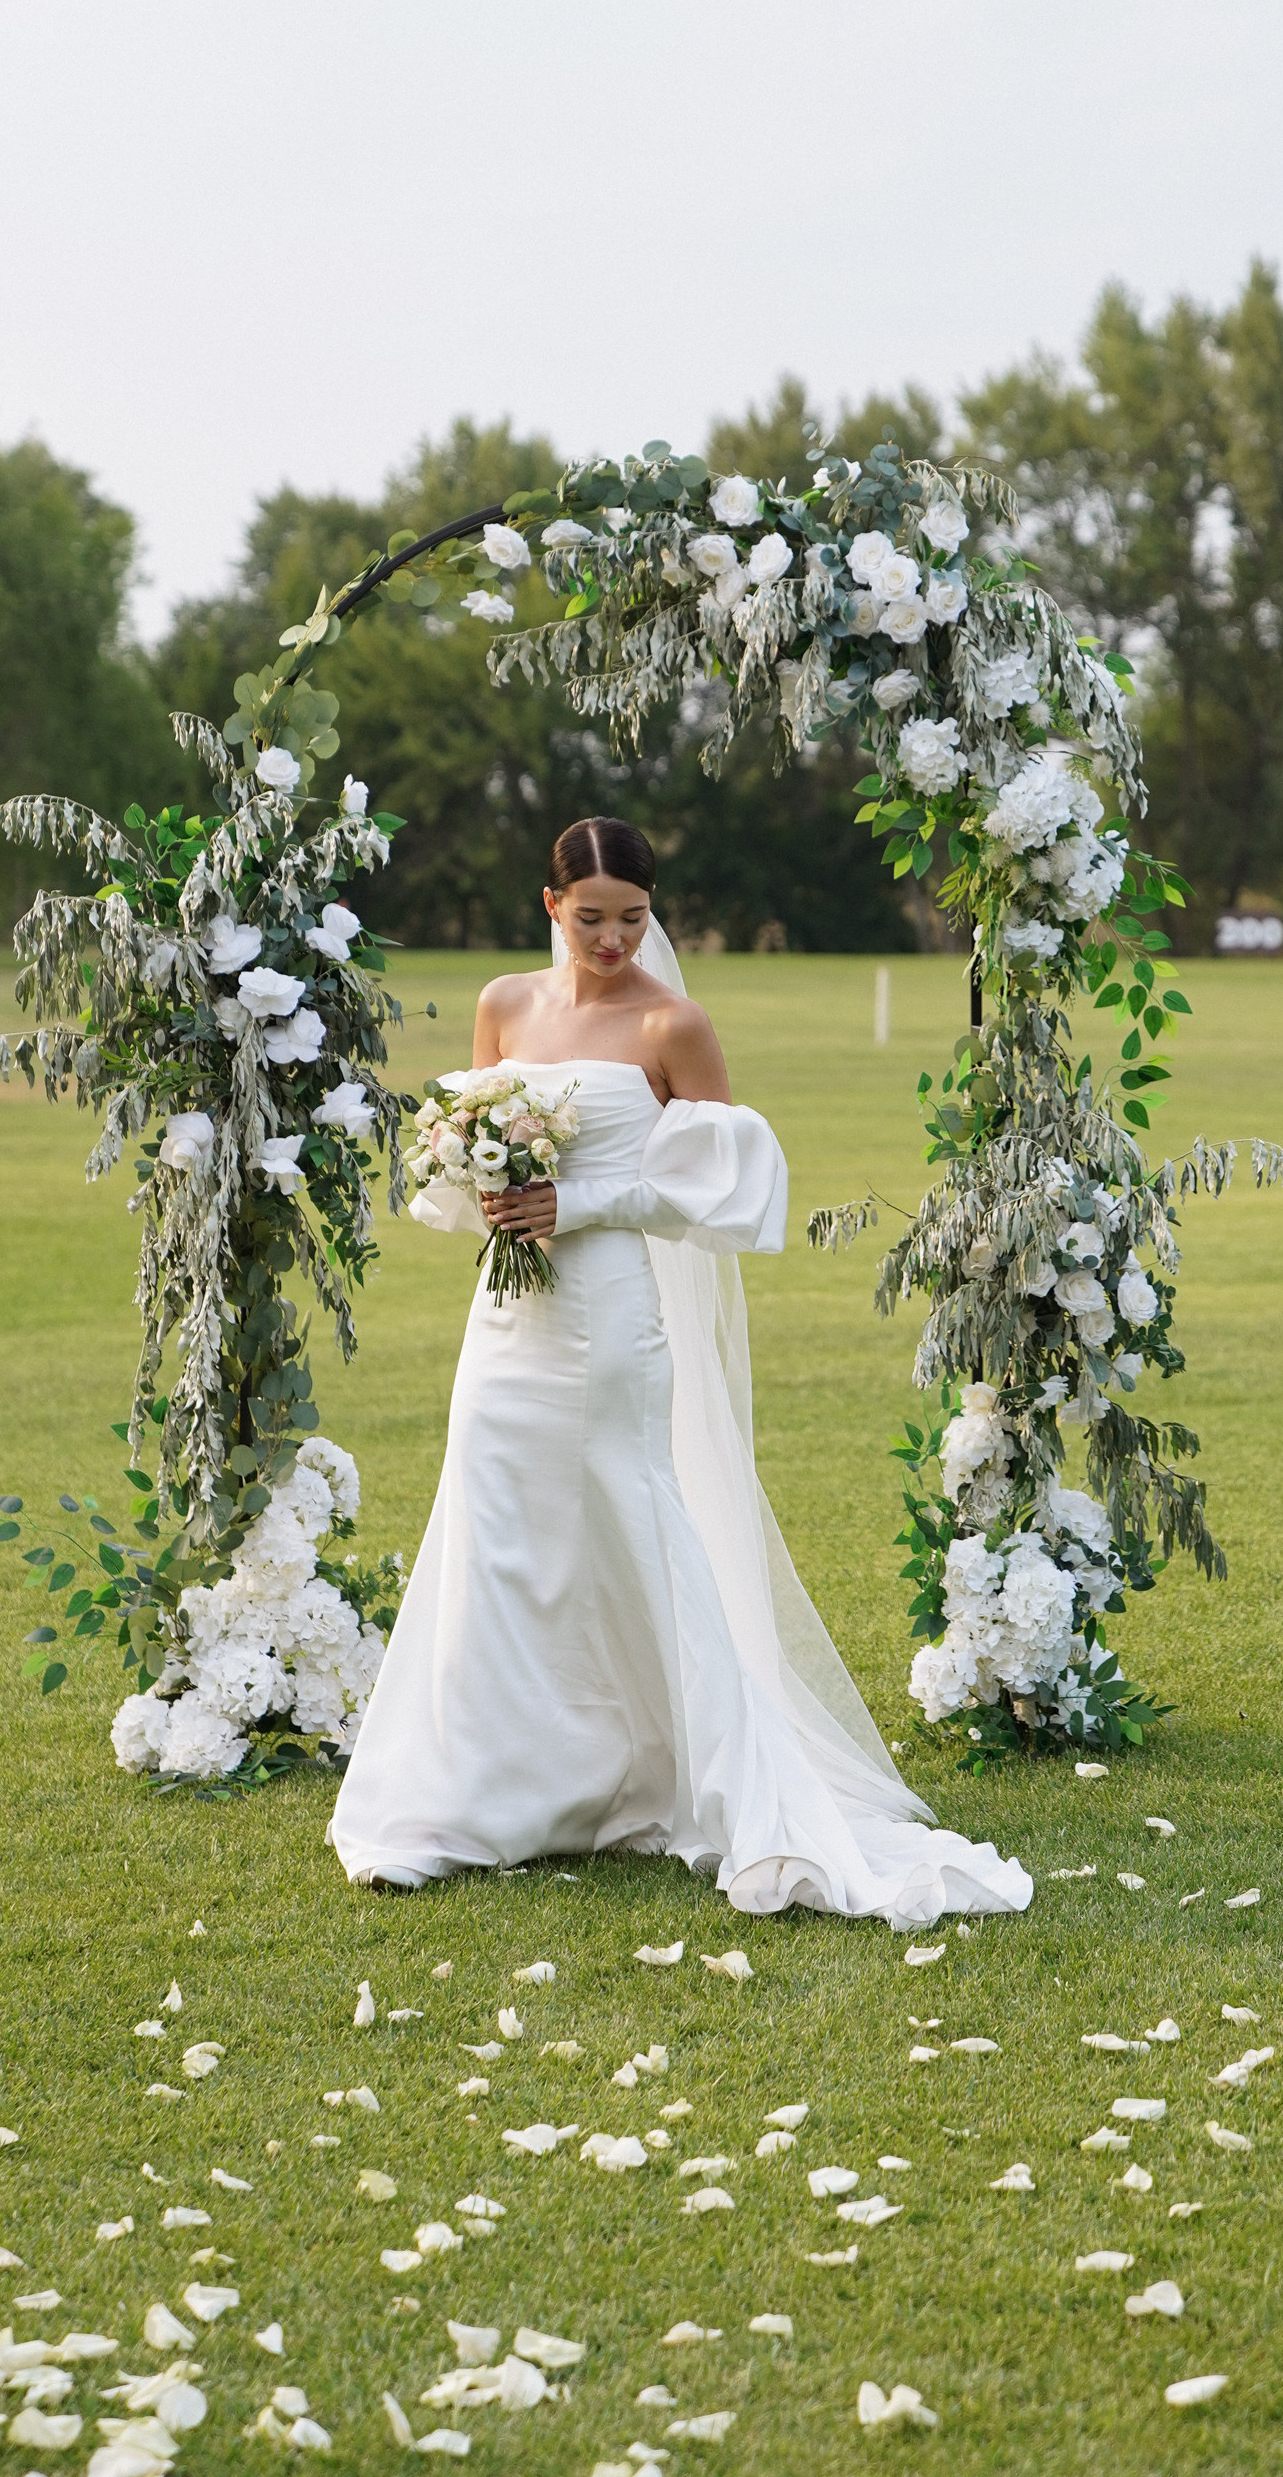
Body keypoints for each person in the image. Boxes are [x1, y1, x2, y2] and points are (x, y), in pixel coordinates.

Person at [328, 814, 1032, 1928]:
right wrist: (493, 1192)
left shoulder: (673, 1023)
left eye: (635, 917)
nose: (614, 938)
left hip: (609, 1315)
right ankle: (464, 1804)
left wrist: (583, 1201)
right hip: (505, 1322)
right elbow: (463, 1163)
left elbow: (722, 1191)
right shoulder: (506, 1006)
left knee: (625, 1517)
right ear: (549, 906)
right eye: (592, 916)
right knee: (496, 1525)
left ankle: (674, 1775)